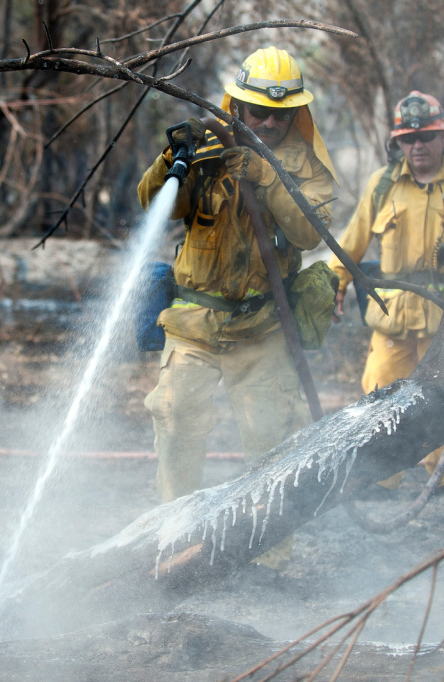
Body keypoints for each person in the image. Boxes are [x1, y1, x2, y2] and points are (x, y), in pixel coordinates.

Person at [137, 47, 336, 567]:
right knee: (176, 421)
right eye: (258, 112)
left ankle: (267, 559)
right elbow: (154, 204)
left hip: (264, 327)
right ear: (238, 105)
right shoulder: (206, 146)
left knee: (272, 444)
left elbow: (309, 233)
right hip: (193, 322)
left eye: (281, 113)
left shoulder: (307, 166)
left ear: (296, 113)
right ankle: (176, 542)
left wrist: (267, 177)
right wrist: (171, 163)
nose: (269, 122)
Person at [328, 91, 444, 487]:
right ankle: (380, 479)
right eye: (408, 139)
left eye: (426, 136)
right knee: (379, 394)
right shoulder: (382, 185)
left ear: (443, 136)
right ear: (398, 142)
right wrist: (334, 284)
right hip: (392, 316)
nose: (417, 145)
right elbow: (351, 241)